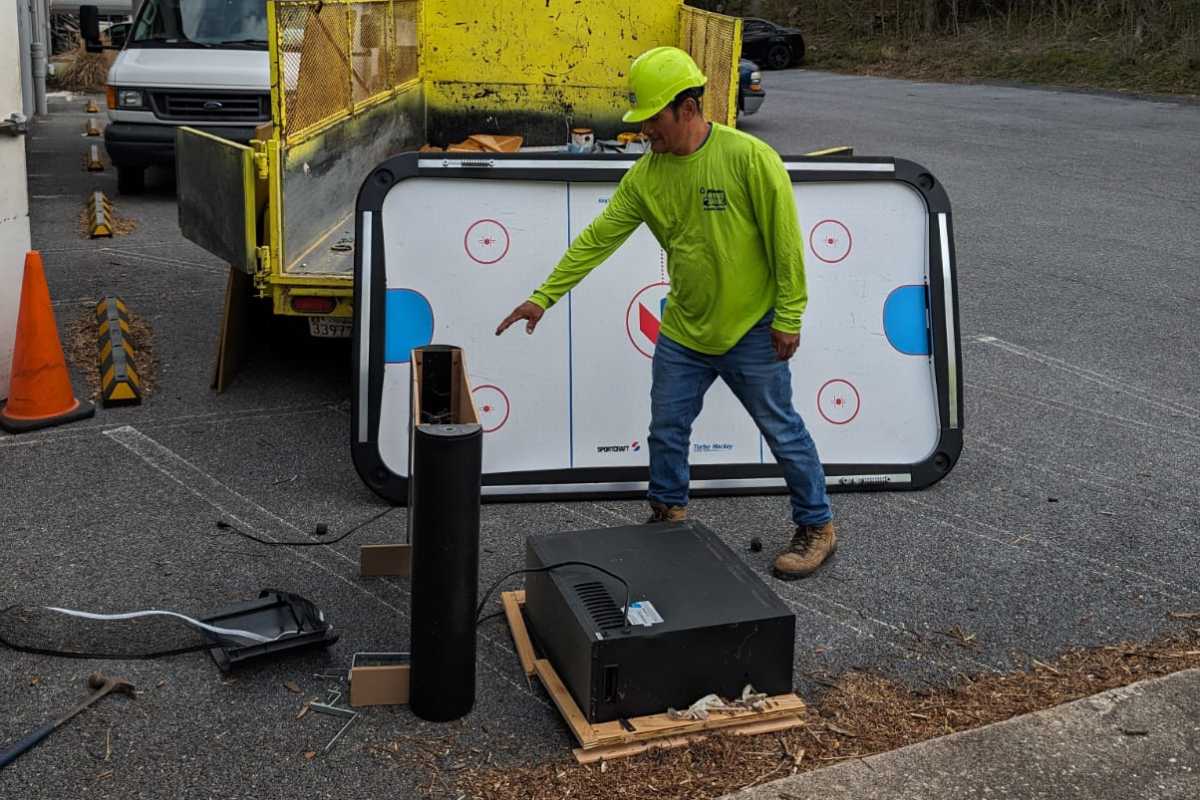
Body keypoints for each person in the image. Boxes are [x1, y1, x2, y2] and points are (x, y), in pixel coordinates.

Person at [495, 46, 835, 580]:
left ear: (687, 108)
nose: (644, 131)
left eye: (652, 118)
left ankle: (817, 526)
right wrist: (544, 296)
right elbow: (596, 241)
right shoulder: (647, 176)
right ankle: (668, 513)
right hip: (684, 331)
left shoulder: (749, 157)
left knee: (782, 430)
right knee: (668, 429)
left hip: (752, 327)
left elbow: (785, 244)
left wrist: (789, 315)